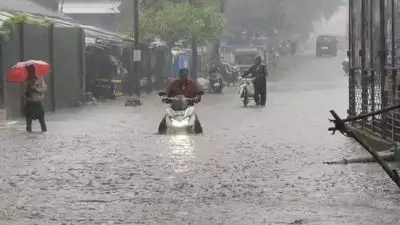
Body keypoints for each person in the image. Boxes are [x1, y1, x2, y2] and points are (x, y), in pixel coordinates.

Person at [158, 68, 203, 134]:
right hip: (174, 108)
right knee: (163, 122)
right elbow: (166, 93)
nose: (183, 79)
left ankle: (199, 135)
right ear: (179, 76)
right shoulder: (173, 84)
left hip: (189, 108)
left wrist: (197, 98)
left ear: (187, 76)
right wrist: (165, 98)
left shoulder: (192, 84)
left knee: (198, 126)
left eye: (185, 77)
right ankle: (160, 133)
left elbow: (198, 94)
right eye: (182, 76)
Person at [24, 65, 47, 132]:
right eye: (28, 70)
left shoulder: (40, 78)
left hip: (38, 102)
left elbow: (44, 89)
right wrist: (28, 90)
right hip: (29, 103)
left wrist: (36, 89)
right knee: (28, 123)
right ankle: (28, 136)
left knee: (42, 121)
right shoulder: (26, 80)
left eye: (31, 70)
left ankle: (44, 134)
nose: (30, 72)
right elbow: (24, 93)